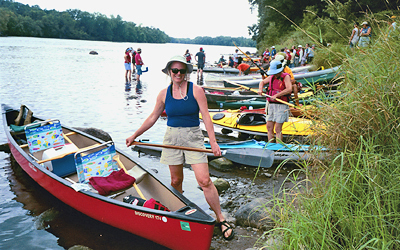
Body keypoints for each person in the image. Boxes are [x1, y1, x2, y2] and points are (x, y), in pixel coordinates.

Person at [125, 55, 235, 241]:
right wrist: (135, 135)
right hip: (171, 137)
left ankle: (221, 218)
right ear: (169, 72)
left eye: (181, 71)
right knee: (176, 181)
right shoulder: (163, 93)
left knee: (205, 181)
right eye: (174, 70)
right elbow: (153, 117)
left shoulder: (196, 90)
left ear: (186, 73)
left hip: (193, 137)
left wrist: (214, 142)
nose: (178, 74)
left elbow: (207, 117)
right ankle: (180, 214)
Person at [258, 60, 292, 142]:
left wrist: (277, 95)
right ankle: (270, 146)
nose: (275, 74)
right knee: (269, 127)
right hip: (271, 105)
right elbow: (262, 82)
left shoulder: (286, 77)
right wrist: (260, 90)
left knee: (277, 128)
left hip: (281, 105)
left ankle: (278, 147)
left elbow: (289, 89)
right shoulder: (272, 77)